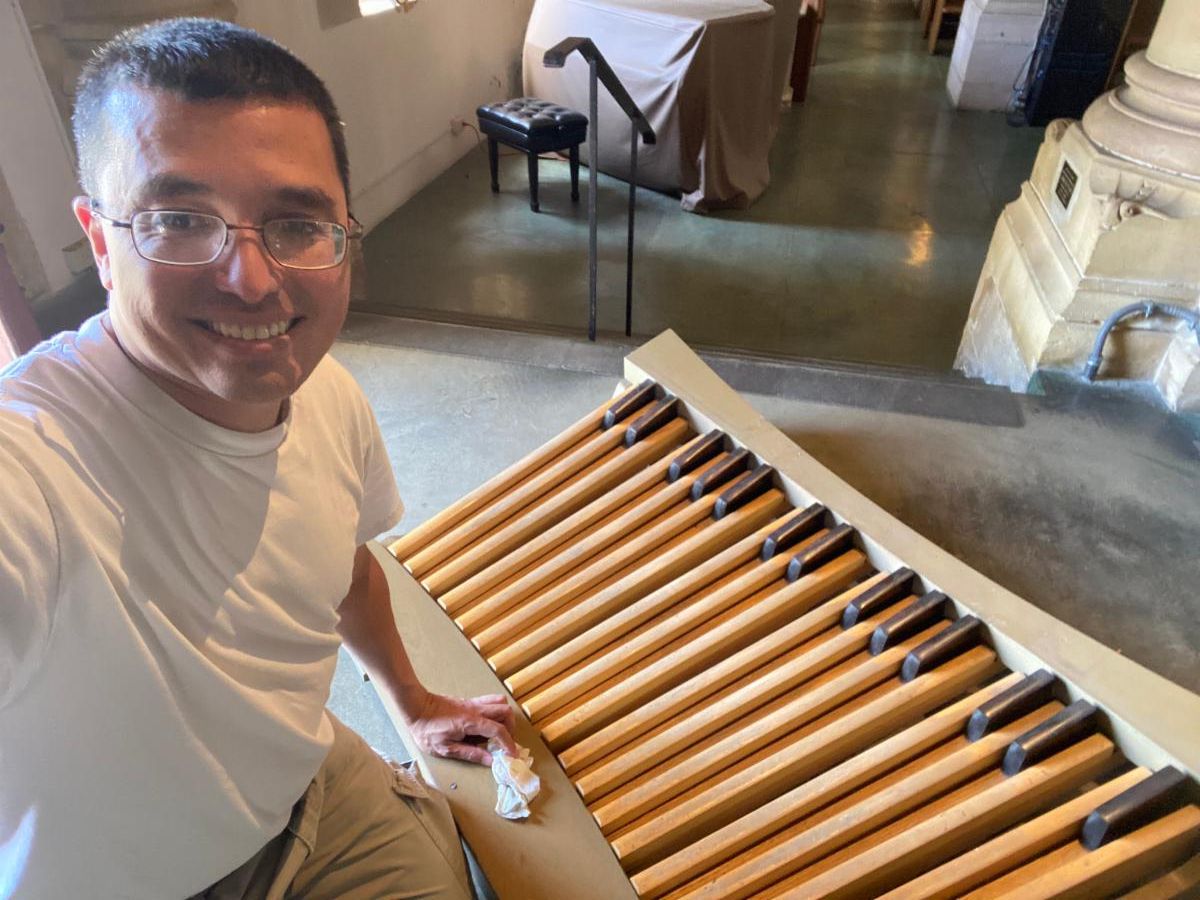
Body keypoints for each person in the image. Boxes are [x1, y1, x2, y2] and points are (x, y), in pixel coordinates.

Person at [0, 17, 514, 900]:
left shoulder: (329, 395)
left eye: (296, 224)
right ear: (100, 241)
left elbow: (344, 568)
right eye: (178, 220)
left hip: (307, 792)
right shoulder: (33, 464)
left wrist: (412, 701)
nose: (251, 277)